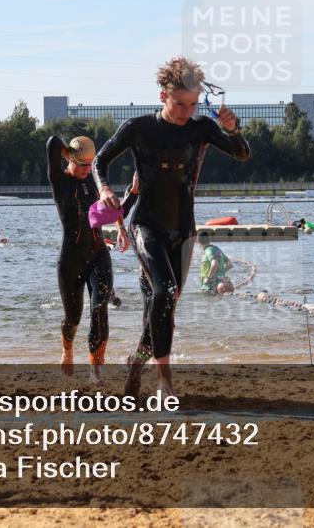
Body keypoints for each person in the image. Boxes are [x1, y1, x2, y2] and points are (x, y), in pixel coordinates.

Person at [93, 56, 251, 397]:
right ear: (164, 95)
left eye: (193, 105)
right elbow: (99, 160)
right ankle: (165, 383)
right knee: (164, 294)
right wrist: (105, 189)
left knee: (163, 303)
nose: (186, 112)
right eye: (180, 104)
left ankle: (137, 360)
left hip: (183, 230)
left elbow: (241, 154)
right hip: (146, 226)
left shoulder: (202, 128)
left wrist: (233, 130)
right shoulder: (139, 128)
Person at [47, 134, 129, 385]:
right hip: (70, 259)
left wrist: (121, 229)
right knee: (73, 318)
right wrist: (68, 151)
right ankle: (67, 350)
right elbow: (52, 142)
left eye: (89, 165)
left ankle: (95, 369)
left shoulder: (95, 183)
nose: (86, 170)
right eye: (81, 164)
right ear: (70, 159)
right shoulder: (60, 181)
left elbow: (112, 206)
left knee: (99, 309)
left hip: (98, 254)